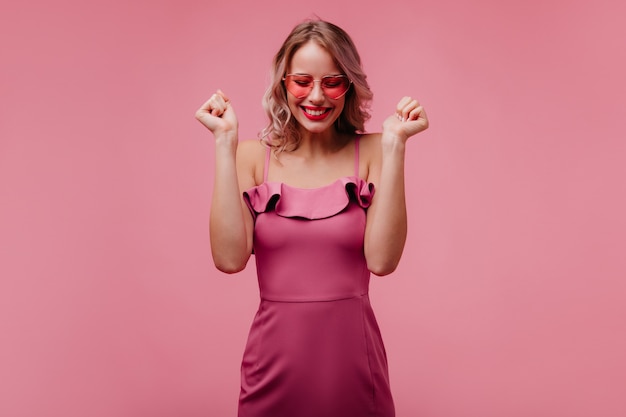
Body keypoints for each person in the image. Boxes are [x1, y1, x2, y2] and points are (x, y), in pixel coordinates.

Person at [195, 19, 428, 417]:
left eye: (332, 82)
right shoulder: (252, 157)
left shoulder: (373, 151)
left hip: (353, 367)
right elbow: (229, 259)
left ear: (349, 85)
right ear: (283, 84)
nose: (316, 96)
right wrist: (223, 143)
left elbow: (382, 261)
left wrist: (395, 147)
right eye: (302, 81)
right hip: (272, 367)